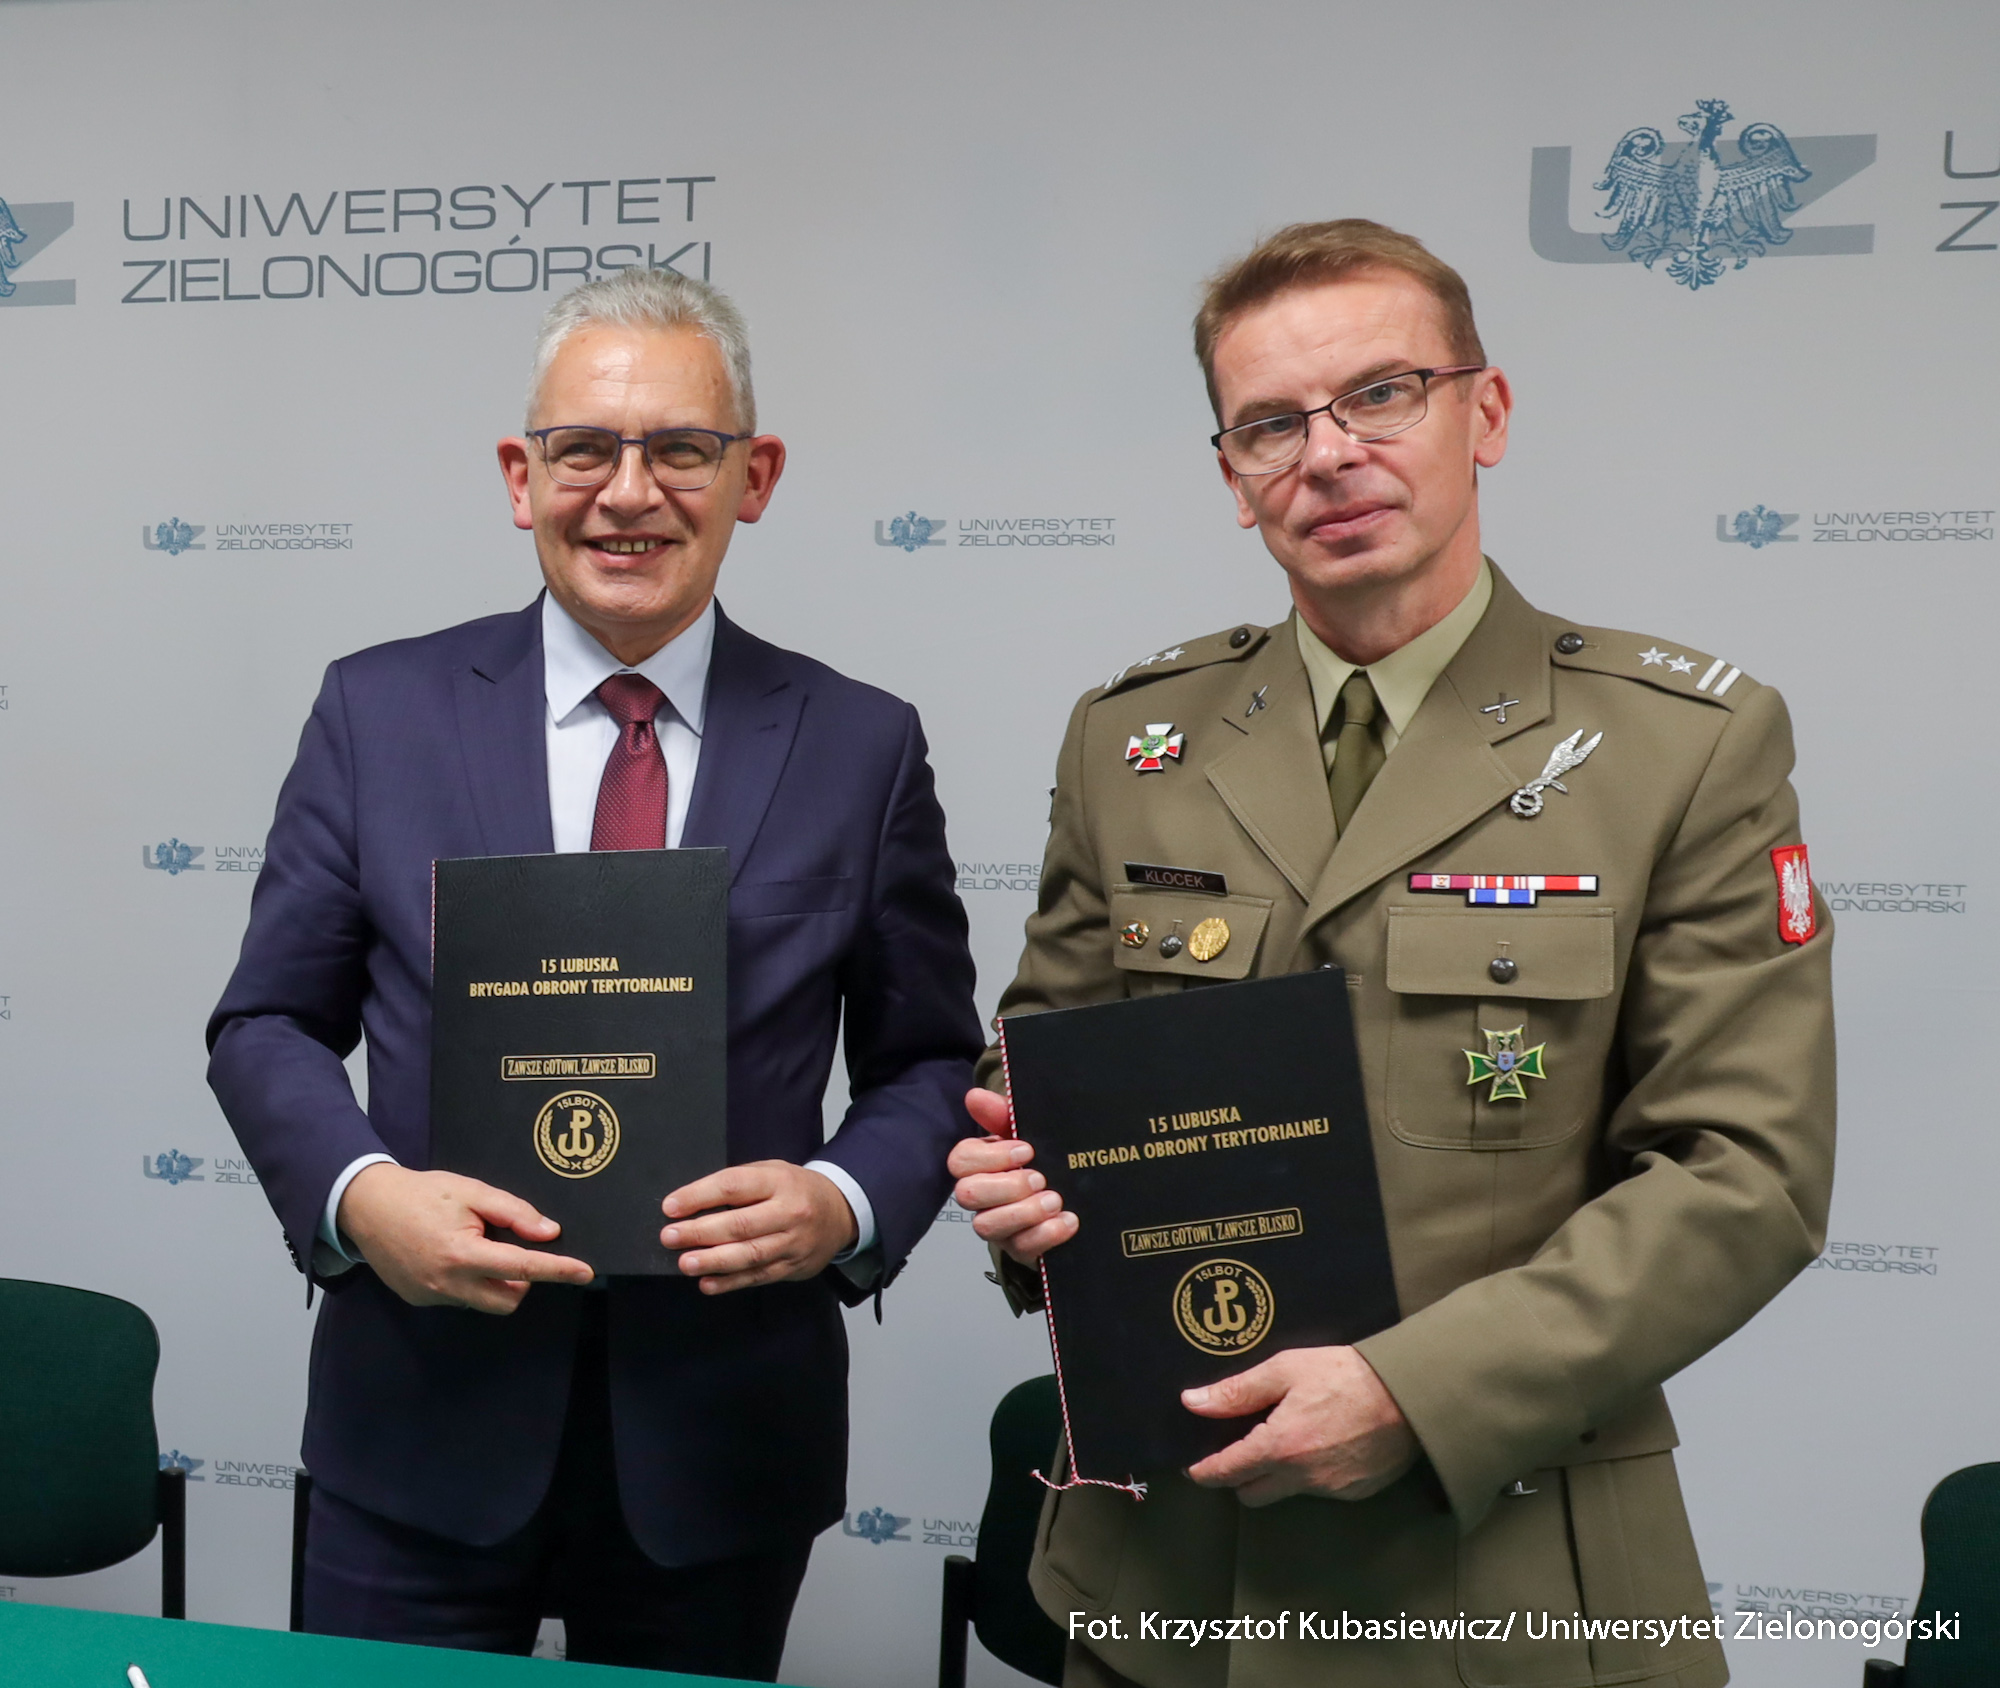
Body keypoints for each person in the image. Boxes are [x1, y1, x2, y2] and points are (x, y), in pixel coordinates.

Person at [949, 220, 1833, 1688]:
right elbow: (1041, 1062)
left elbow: (1745, 1175)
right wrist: (1015, 1182)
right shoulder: (1132, 739)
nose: (1329, 454)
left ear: (1485, 412)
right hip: (1169, 1580)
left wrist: (1414, 1394)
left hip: (1498, 1582)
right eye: (1271, 424)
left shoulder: (1683, 746)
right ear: (1231, 476)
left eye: (1381, 394)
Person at [207, 268, 982, 1677]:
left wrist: (842, 1201)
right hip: (417, 1425)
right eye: (585, 451)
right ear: (523, 478)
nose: (629, 494)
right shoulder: (377, 712)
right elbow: (266, 1022)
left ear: (754, 477)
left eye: (681, 448)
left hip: (721, 1436)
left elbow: (930, 1058)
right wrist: (363, 1197)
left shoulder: (861, 744)